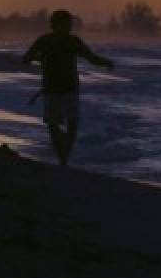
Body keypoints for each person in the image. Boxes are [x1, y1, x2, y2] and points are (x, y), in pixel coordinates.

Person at [21, 10, 113, 166]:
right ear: (55, 25)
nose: (69, 26)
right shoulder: (46, 41)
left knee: (70, 125)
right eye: (66, 23)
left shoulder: (72, 41)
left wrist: (106, 63)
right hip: (52, 89)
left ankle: (63, 159)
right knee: (54, 126)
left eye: (70, 23)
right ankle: (62, 159)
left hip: (69, 89)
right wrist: (40, 58)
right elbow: (26, 58)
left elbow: (90, 57)